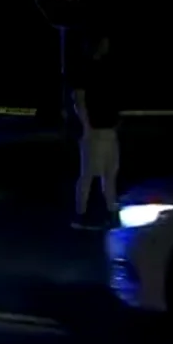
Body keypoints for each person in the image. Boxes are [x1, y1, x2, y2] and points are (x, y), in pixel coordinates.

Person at [69, 34, 122, 230]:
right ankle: (80, 214)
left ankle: (110, 213)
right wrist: (86, 126)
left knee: (110, 173)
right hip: (95, 130)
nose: (107, 45)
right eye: (104, 42)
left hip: (108, 128)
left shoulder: (107, 68)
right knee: (89, 173)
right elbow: (79, 99)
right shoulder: (84, 68)